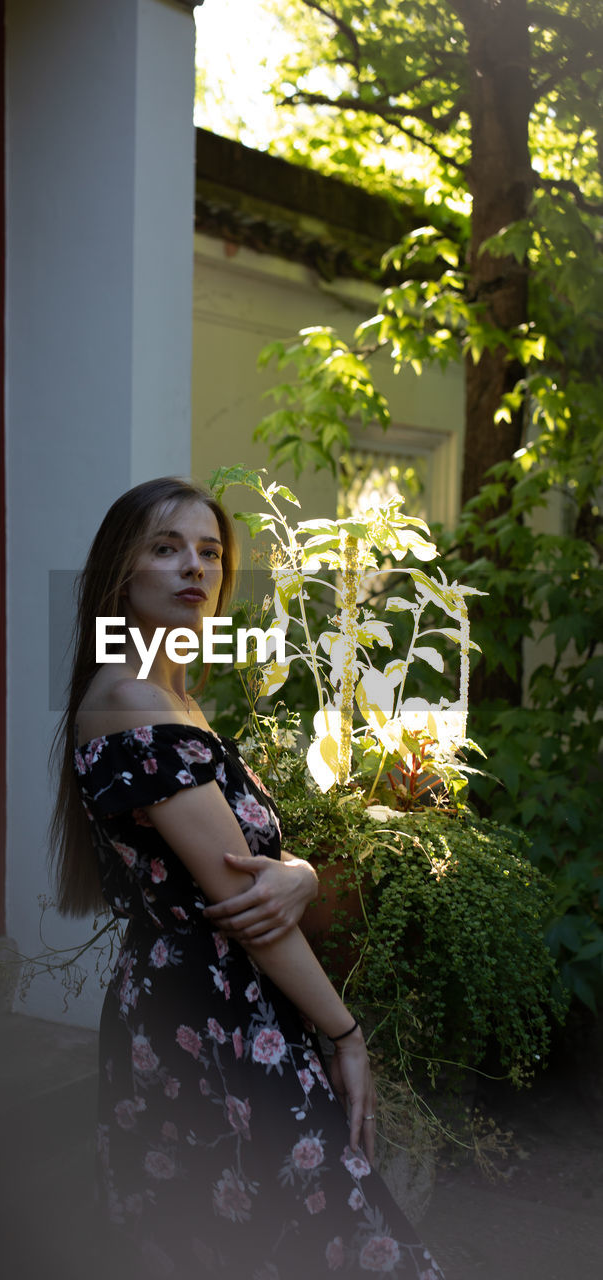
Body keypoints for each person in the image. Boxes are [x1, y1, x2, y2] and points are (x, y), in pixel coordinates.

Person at [49, 477, 445, 1278]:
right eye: (166, 549)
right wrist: (346, 1033)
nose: (193, 567)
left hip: (217, 1000)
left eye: (209, 552)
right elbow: (242, 904)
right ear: (120, 574)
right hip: (210, 1014)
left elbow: (255, 865)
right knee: (312, 1229)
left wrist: (297, 871)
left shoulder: (173, 700)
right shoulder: (132, 701)